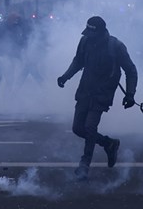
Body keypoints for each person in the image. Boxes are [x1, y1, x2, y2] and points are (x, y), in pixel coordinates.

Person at [57, 16, 138, 180]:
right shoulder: (85, 41)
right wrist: (65, 77)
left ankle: (84, 166)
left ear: (101, 33)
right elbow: (78, 61)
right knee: (77, 128)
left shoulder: (116, 46)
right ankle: (109, 144)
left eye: (92, 34)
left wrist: (130, 94)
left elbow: (131, 70)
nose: (88, 36)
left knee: (89, 127)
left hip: (102, 93)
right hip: (85, 90)